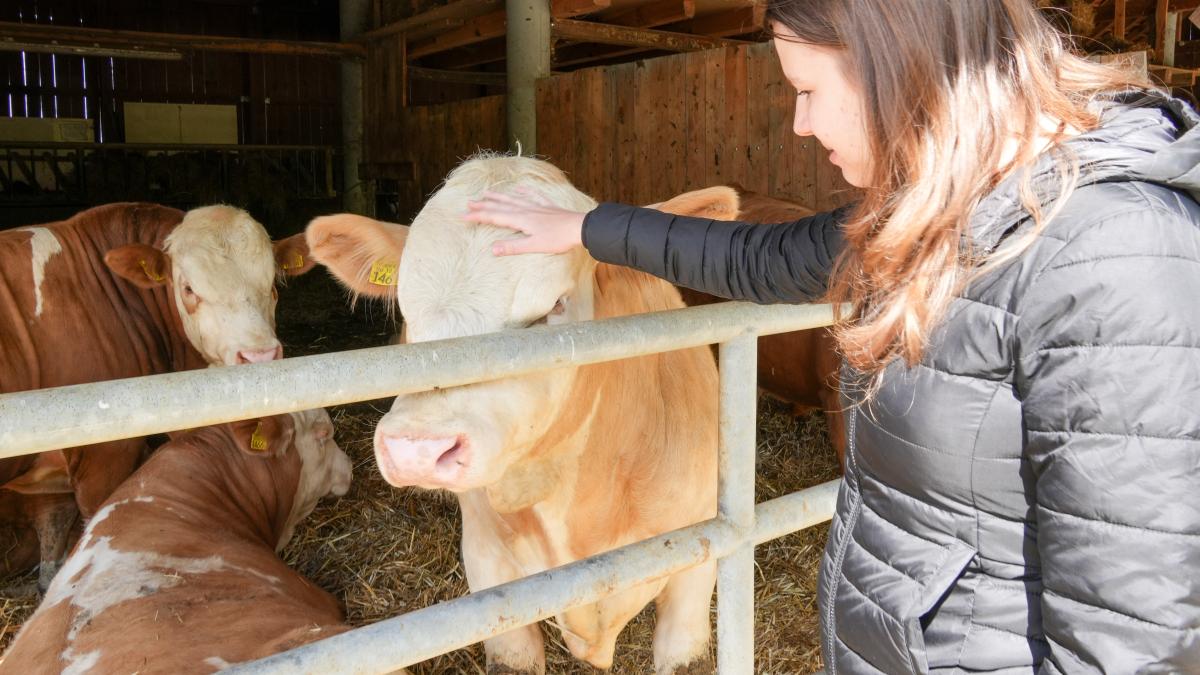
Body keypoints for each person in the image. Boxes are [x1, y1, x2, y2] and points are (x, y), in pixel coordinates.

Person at [465, 1, 1200, 672]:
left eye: (809, 90)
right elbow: (758, 256)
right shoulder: (934, 212)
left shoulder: (1115, 256)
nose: (799, 123)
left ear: (898, 68)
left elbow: (1131, 634)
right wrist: (587, 230)